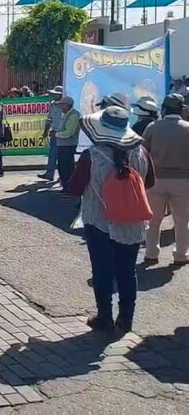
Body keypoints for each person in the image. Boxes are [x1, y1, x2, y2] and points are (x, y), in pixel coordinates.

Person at [67, 106, 153, 333]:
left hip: (99, 221)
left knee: (102, 271)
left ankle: (104, 317)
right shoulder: (142, 153)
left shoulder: (91, 156)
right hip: (133, 223)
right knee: (127, 271)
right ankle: (126, 319)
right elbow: (150, 183)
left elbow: (74, 189)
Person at [142, 94, 189, 265]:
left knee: (153, 220)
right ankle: (181, 255)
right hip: (183, 181)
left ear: (163, 109)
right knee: (182, 221)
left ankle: (151, 253)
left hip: (156, 179)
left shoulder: (153, 127)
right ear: (181, 110)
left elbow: (142, 152)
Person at [56, 96, 81, 193]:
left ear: (67, 105)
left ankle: (69, 188)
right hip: (63, 145)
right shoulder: (67, 114)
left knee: (67, 168)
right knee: (62, 167)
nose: (60, 107)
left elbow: (69, 133)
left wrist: (56, 134)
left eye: (62, 105)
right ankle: (66, 187)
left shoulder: (73, 115)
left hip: (67, 145)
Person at [39, 86, 64, 181]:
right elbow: (49, 119)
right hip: (54, 133)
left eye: (55, 94)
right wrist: (46, 131)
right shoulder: (53, 104)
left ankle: (62, 176)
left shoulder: (66, 105)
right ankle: (50, 174)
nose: (53, 95)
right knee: (52, 154)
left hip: (64, 134)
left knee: (62, 156)